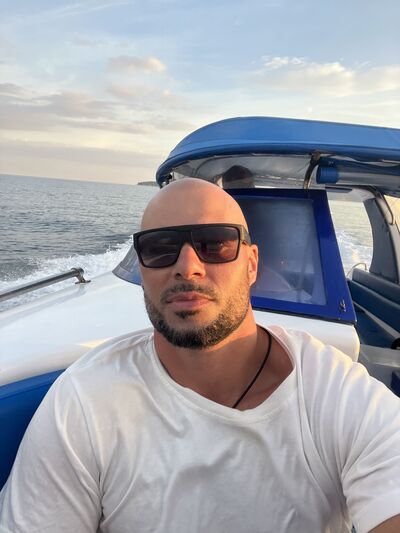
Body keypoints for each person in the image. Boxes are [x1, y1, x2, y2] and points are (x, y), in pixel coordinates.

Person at [1, 178, 399, 533]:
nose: (187, 267)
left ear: (251, 264)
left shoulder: (337, 396)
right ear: (142, 270)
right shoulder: (84, 402)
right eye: (160, 248)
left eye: (215, 244)